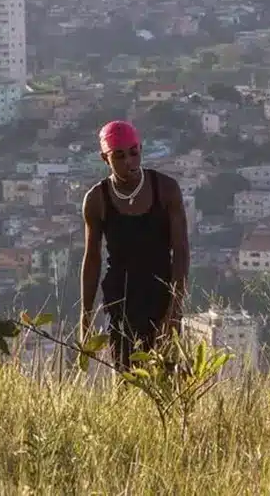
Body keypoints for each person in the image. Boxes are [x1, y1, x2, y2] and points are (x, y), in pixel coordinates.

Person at [80, 120, 190, 372]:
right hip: (121, 298)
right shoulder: (97, 200)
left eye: (134, 152)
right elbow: (92, 259)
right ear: (104, 158)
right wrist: (85, 315)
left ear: (141, 149)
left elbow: (181, 250)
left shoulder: (166, 189)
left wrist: (175, 308)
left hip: (161, 294)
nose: (129, 161)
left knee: (165, 375)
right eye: (119, 156)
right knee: (126, 374)